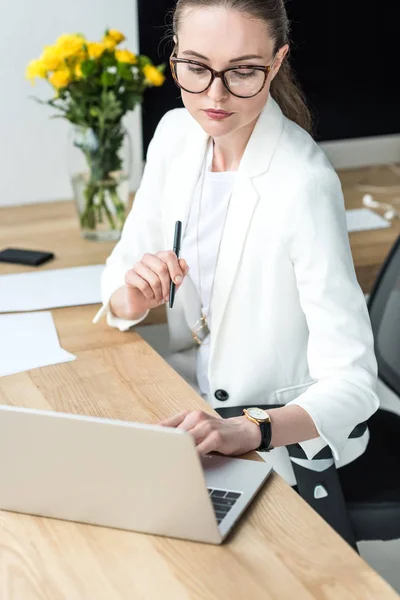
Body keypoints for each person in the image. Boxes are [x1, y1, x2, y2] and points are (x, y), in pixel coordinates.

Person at [93, 0, 379, 486]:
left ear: (277, 63)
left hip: (282, 444)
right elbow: (120, 275)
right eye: (197, 68)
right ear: (176, 56)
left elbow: (353, 384)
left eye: (243, 71)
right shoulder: (175, 134)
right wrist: (133, 293)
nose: (215, 95)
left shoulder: (302, 183)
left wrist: (247, 430)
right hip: (188, 406)